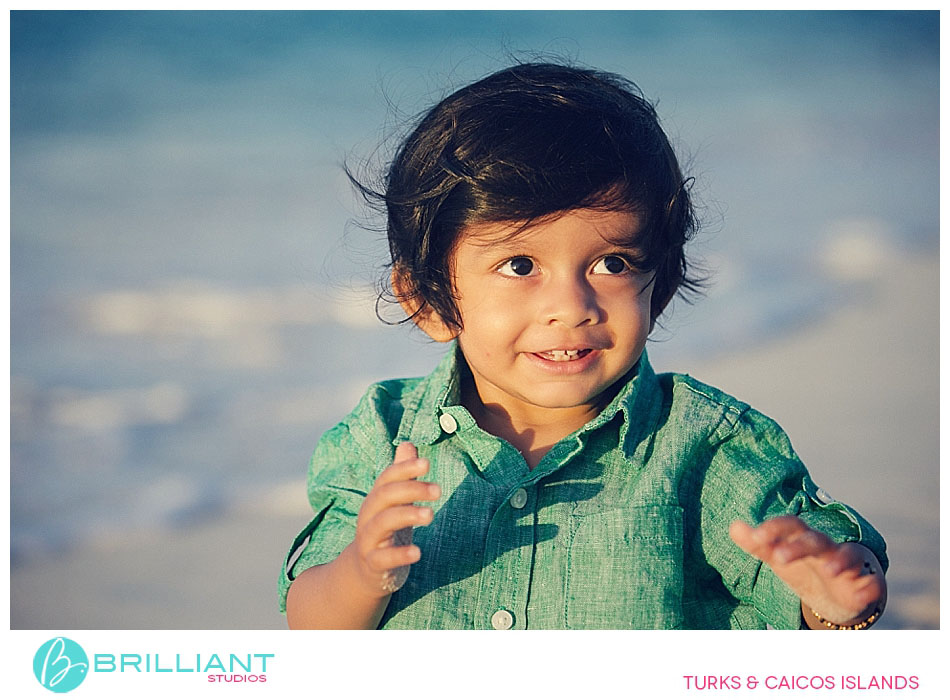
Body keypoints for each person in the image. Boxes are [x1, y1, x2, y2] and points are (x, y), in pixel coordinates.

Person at [278, 62, 887, 630]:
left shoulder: (705, 444)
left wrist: (835, 595)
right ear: (429, 301)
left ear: (661, 287)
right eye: (520, 265)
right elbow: (311, 623)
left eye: (612, 262)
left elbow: (822, 565)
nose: (571, 307)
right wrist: (362, 572)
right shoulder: (384, 437)